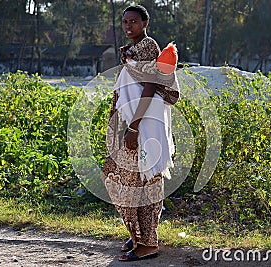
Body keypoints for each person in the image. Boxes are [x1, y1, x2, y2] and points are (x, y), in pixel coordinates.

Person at [102, 5, 179, 262]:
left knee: (144, 181)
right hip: (140, 121)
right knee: (132, 177)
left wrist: (134, 126)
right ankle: (140, 235)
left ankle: (148, 243)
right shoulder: (136, 49)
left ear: (145, 23)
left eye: (133, 21)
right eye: (125, 21)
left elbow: (149, 88)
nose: (128, 26)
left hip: (146, 123)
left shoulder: (147, 46)